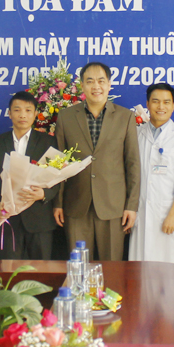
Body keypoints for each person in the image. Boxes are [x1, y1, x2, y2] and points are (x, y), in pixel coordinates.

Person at [53, 62, 140, 262]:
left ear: (109, 84)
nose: (96, 86)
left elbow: (133, 164)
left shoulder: (125, 117)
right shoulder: (66, 117)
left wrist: (131, 206)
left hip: (113, 206)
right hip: (76, 205)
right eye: (90, 81)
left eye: (101, 81)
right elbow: (57, 164)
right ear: (82, 85)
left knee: (112, 266)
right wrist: (57, 202)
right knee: (79, 266)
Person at [0, 91, 58, 260]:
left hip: (39, 220)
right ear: (9, 113)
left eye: (28, 110)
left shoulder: (48, 142)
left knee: (41, 271)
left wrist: (44, 194)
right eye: (17, 110)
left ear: (35, 114)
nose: (22, 115)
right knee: (9, 271)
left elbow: (57, 179)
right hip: (8, 219)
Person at [130, 83, 174, 265]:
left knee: (168, 271)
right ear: (147, 104)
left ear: (173, 106)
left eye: (166, 102)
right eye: (155, 101)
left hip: (168, 213)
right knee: (140, 269)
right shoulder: (136, 134)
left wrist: (173, 214)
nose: (161, 106)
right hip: (141, 214)